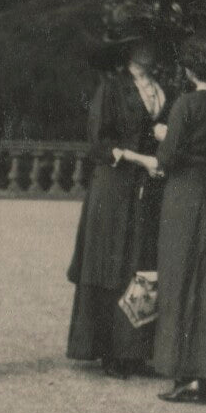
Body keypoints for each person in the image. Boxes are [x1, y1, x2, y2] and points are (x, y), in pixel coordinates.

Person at [119, 28, 206, 403]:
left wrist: (162, 134)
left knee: (181, 278)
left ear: (189, 69)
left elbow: (166, 161)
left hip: (185, 196)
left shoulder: (186, 104)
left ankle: (187, 376)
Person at [67, 22, 171, 379]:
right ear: (129, 51)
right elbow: (98, 144)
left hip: (148, 187)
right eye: (142, 45)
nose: (149, 50)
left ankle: (136, 351)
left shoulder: (160, 89)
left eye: (151, 44)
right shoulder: (111, 89)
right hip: (112, 187)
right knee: (112, 264)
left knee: (141, 264)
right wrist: (142, 159)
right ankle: (109, 351)